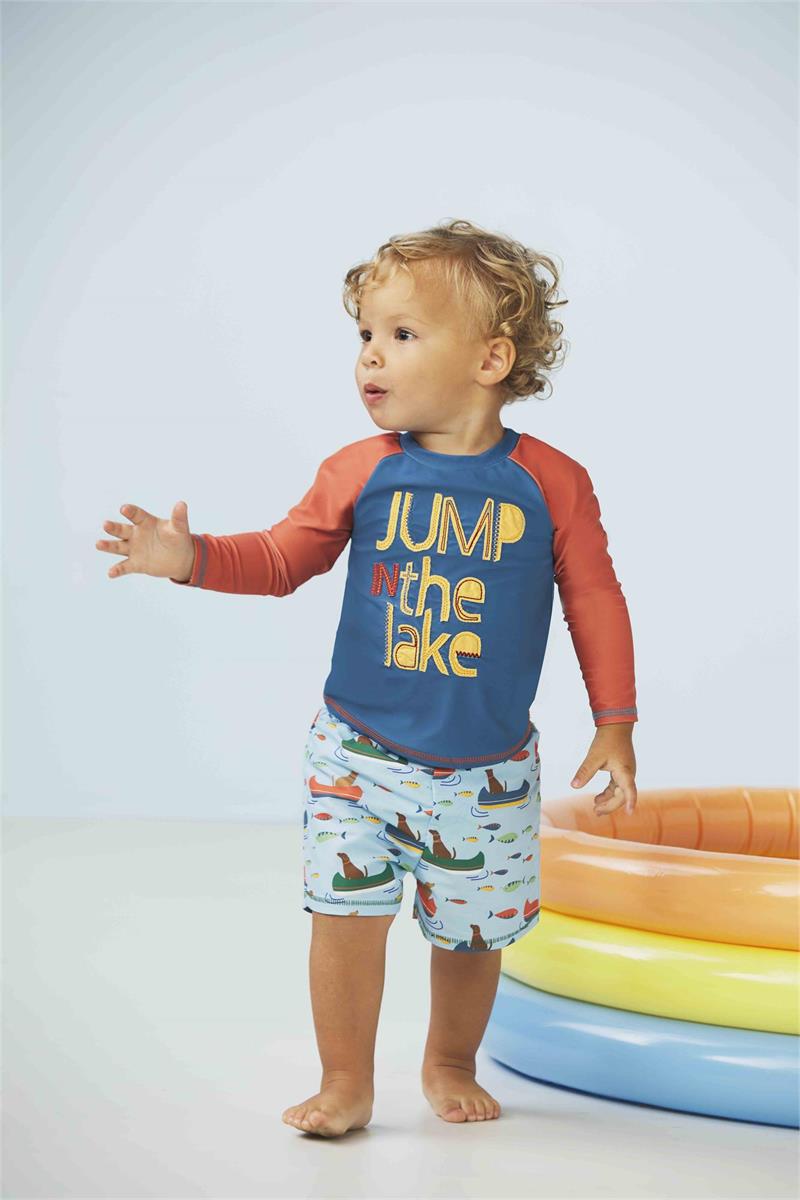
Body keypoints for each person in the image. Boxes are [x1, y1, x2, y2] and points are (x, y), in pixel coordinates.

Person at [95, 218, 638, 1138]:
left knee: (472, 933)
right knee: (344, 917)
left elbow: (594, 597)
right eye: (365, 335)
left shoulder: (553, 482)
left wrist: (615, 721)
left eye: (402, 333)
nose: (370, 356)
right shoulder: (360, 471)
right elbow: (281, 558)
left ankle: (449, 1058)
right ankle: (345, 1081)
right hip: (358, 753)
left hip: (488, 770)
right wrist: (190, 558)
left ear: (491, 358)